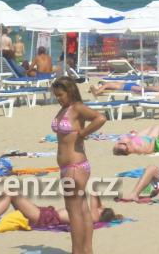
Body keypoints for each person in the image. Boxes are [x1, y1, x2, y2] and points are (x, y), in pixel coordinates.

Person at [50, 76, 107, 254]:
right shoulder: (65, 109)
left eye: (60, 95)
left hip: (75, 166)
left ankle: (77, 251)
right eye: (56, 95)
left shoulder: (77, 107)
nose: (58, 98)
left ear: (70, 91)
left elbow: (100, 118)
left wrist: (83, 133)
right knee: (82, 210)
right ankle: (87, 250)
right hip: (70, 167)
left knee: (74, 213)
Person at [0, 189, 124, 228]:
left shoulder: (93, 216)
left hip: (42, 216)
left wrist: (100, 203)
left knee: (11, 194)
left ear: (101, 211)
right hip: (44, 213)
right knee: (9, 194)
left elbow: (94, 193)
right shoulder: (91, 215)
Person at [89, 80, 159, 100]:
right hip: (129, 85)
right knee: (146, 89)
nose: (99, 87)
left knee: (145, 89)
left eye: (99, 85)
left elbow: (97, 92)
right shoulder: (110, 84)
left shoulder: (106, 84)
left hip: (128, 87)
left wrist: (93, 88)